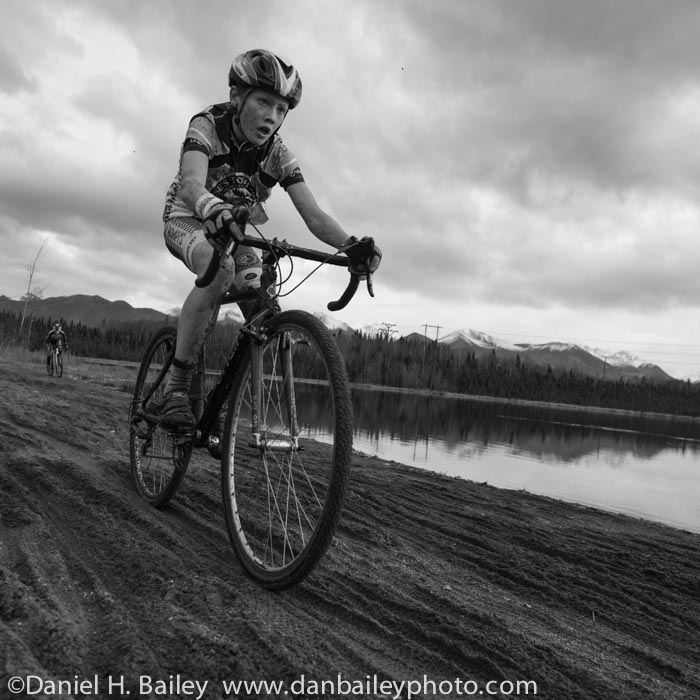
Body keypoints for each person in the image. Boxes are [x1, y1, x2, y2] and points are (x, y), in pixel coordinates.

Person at [161, 48, 381, 429]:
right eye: (264, 102)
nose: (272, 116)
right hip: (189, 218)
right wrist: (212, 207)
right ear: (236, 97)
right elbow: (192, 184)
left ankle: (222, 408)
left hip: (235, 231)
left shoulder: (278, 154)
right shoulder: (207, 126)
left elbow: (313, 216)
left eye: (281, 110)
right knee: (219, 272)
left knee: (262, 305)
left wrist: (352, 246)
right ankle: (176, 388)